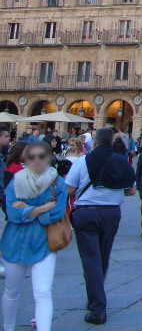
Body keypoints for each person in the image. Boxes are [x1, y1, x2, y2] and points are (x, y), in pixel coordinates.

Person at [65, 127, 136, 325]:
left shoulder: (82, 161)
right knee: (102, 256)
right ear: (112, 143)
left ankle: (98, 309)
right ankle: (95, 296)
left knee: (90, 259)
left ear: (94, 143)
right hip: (111, 213)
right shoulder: (121, 161)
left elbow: (69, 189)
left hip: (86, 213)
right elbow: (131, 191)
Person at [1, 141, 67, 331]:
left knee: (43, 292)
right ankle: (8, 327)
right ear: (25, 159)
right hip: (15, 242)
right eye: (32, 156)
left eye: (41, 156)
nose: (36, 160)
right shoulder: (16, 180)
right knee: (12, 290)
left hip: (45, 242)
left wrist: (27, 211)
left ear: (48, 158)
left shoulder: (57, 182)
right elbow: (11, 213)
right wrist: (41, 209)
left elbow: (57, 213)